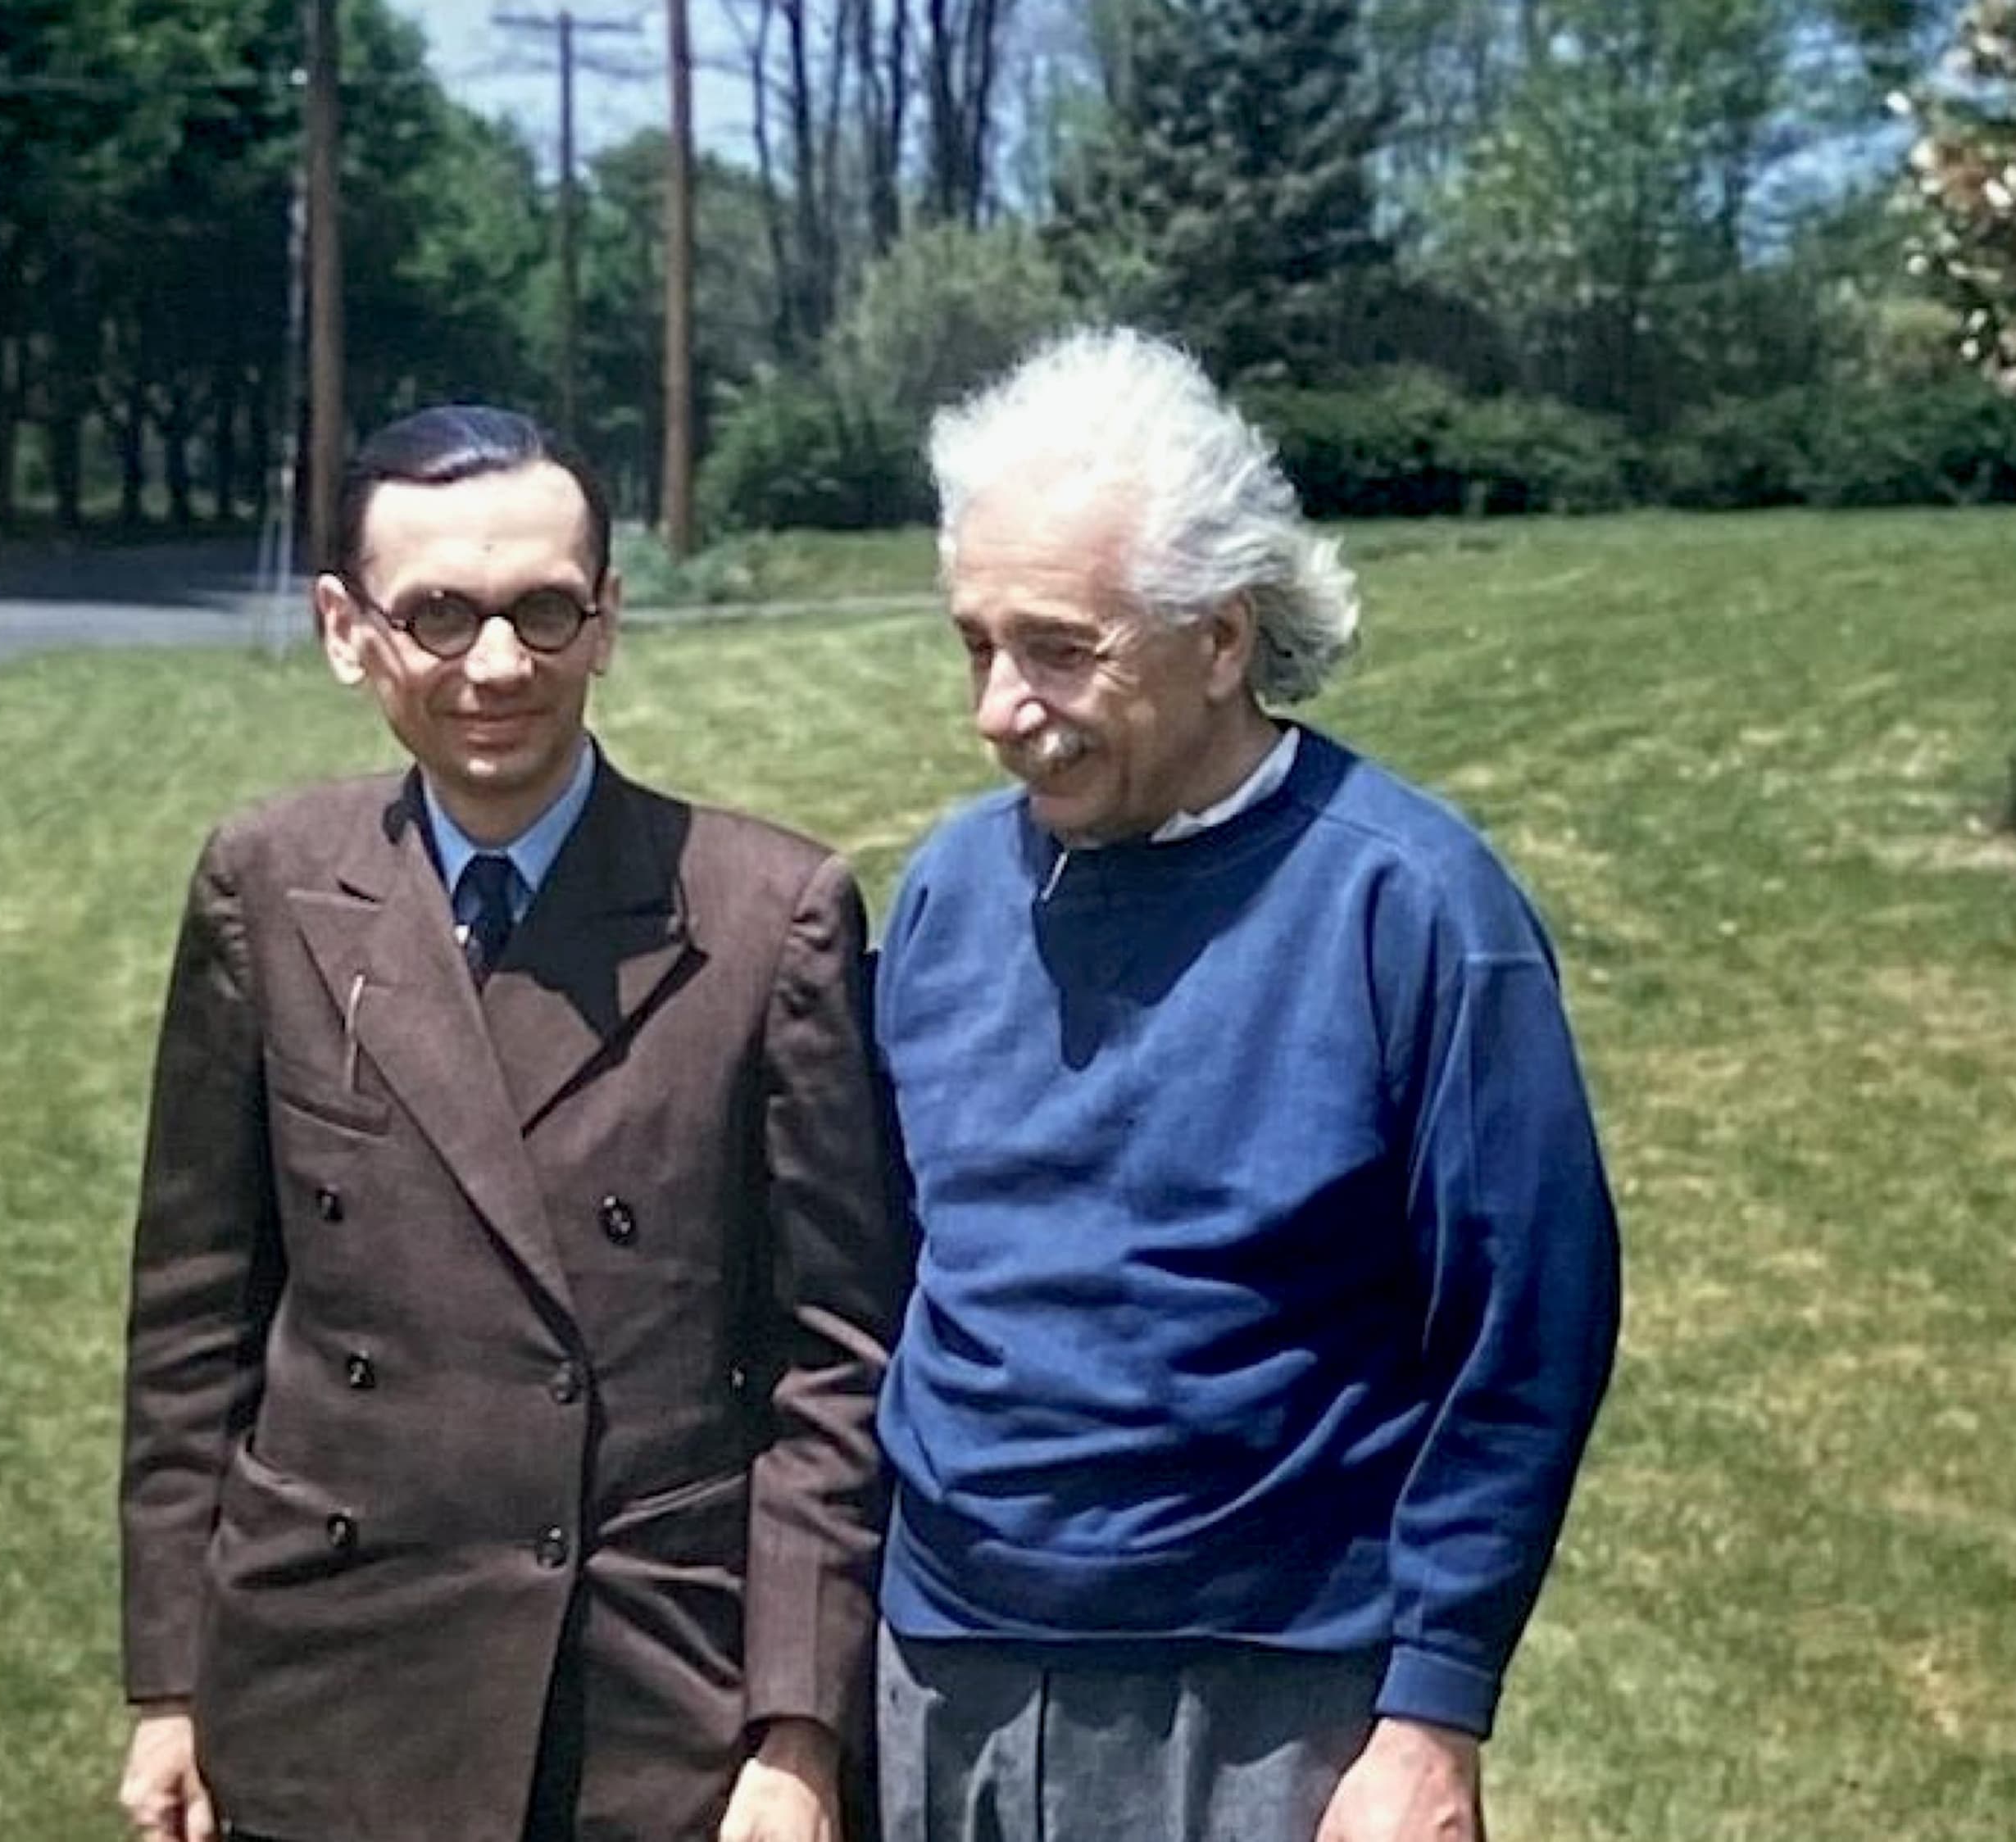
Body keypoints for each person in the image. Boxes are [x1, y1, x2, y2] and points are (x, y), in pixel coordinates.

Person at [866, 329, 1622, 1842]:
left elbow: (1527, 1333)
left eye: (1060, 648)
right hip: (936, 1666)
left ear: (1220, 638)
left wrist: (1433, 1716)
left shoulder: (1411, 909)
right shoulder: (949, 890)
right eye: (976, 645)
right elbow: (871, 1273)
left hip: (1264, 1695)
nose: (999, 709)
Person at [116, 406, 907, 1842]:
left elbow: (834, 1362)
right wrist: (172, 1681)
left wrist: (796, 1733)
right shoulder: (267, 882)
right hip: (326, 1688)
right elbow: (194, 1323)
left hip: (643, 1704)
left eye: (545, 611)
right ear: (347, 630)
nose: (498, 667)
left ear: (607, 623)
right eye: (441, 615)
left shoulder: (761, 917)